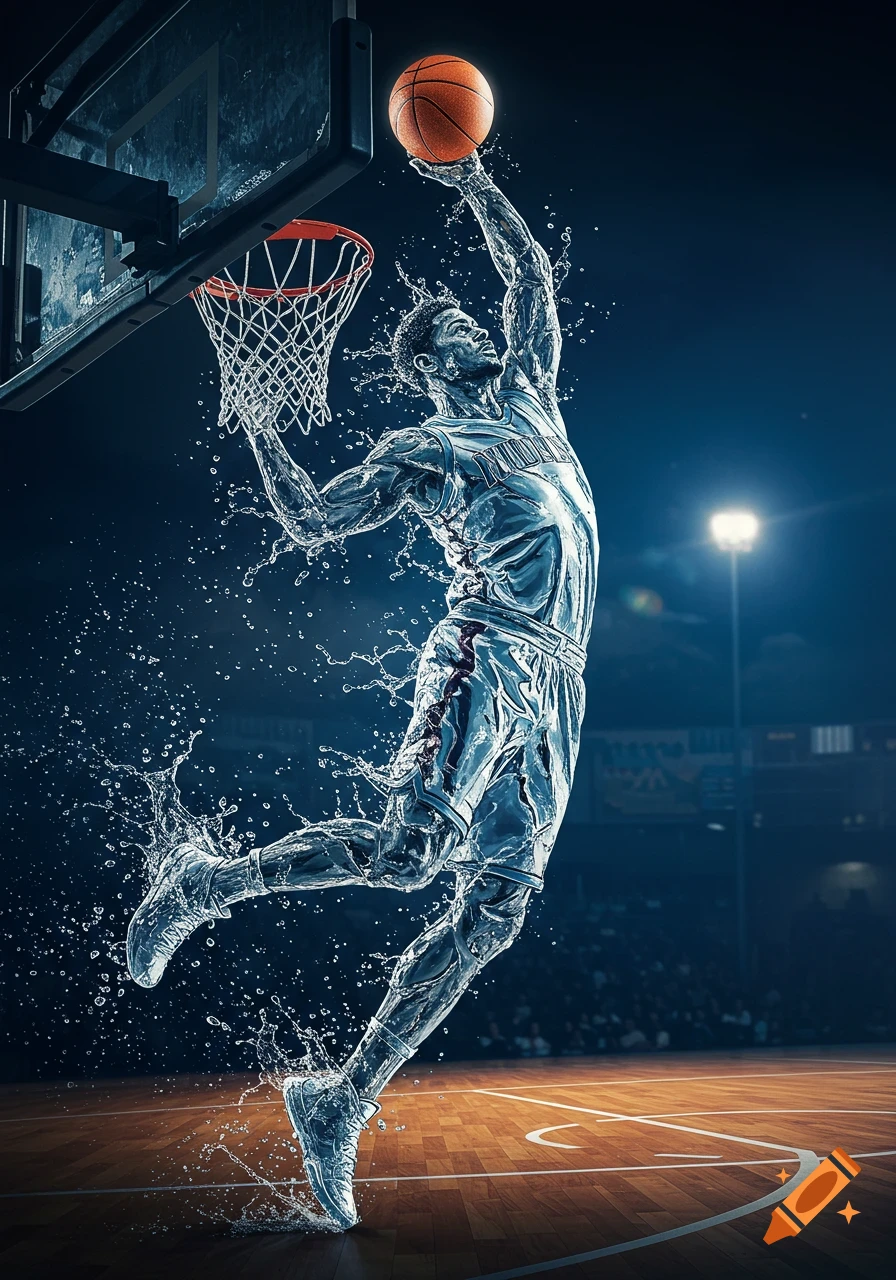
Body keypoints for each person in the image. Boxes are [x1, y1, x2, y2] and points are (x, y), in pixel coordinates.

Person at [126, 149, 598, 1229]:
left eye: (470, 326)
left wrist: (473, 180)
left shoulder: (532, 394)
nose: (473, 332)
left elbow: (528, 273)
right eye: (447, 335)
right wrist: (258, 422)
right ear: (427, 369)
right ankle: (205, 883)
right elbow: (310, 521)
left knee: (495, 909)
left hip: (562, 683)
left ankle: (341, 1097)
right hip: (487, 647)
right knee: (406, 855)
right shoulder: (426, 446)